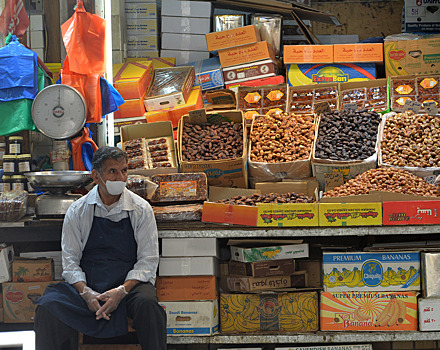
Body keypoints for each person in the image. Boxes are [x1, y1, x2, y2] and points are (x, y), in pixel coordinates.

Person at [34, 146, 167, 350]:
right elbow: (70, 262)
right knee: (48, 306)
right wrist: (86, 293)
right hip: (89, 283)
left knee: (149, 306)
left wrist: (121, 291)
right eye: (112, 171)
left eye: (124, 170)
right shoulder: (77, 210)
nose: (120, 177)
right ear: (96, 176)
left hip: (128, 285)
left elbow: (147, 260)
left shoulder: (141, 209)